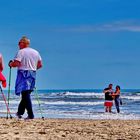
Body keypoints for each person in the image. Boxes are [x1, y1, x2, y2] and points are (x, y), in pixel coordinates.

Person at [9, 36, 43, 119]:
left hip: (23, 73)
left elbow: (16, 63)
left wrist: (10, 64)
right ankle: (20, 112)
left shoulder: (21, 52)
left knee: (25, 93)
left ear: (24, 43)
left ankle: (31, 115)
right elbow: (40, 65)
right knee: (26, 94)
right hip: (33, 73)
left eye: (19, 42)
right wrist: (33, 68)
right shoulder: (36, 52)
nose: (18, 44)